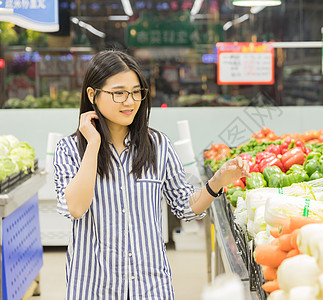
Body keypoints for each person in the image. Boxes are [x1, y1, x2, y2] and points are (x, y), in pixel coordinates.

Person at [53, 49, 250, 300]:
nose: (130, 101)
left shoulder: (157, 145)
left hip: (150, 286)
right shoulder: (70, 150)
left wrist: (217, 182)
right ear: (92, 95)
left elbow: (186, 207)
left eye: (136, 92)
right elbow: (77, 208)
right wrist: (92, 144)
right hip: (94, 287)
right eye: (119, 93)